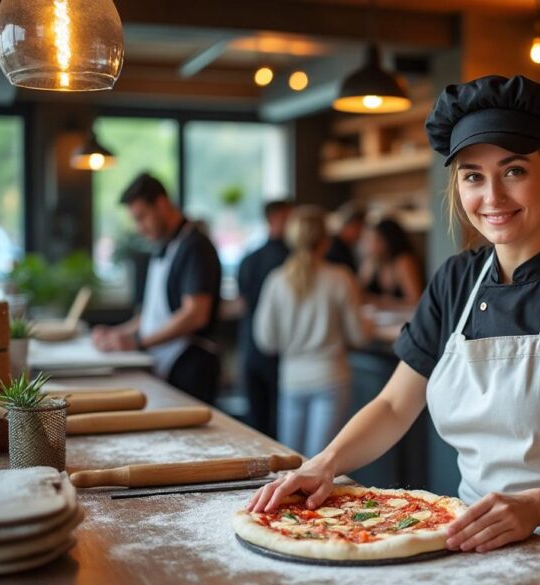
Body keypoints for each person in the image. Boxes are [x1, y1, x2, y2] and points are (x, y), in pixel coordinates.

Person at [247, 75, 540, 555]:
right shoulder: (455, 282)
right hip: (469, 543)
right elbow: (393, 406)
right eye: (473, 175)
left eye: (513, 171)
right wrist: (321, 464)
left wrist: (536, 507)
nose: (492, 196)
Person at [93, 173, 222, 404]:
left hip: (191, 366)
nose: (139, 227)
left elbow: (196, 314)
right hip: (165, 363)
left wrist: (140, 343)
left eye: (141, 217)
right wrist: (118, 333)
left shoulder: (195, 246)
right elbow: (153, 315)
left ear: (161, 204)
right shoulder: (164, 246)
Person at [252, 205, 371, 457]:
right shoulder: (341, 278)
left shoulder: (276, 280)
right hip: (331, 378)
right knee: (322, 465)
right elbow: (359, 335)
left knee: (292, 466)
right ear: (325, 241)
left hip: (291, 380)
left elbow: (266, 341)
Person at [236, 199, 293, 438]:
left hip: (250, 345)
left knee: (256, 423)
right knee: (278, 424)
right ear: (276, 218)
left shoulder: (249, 258)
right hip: (278, 348)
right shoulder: (291, 261)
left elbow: (242, 301)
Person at [358, 218, 423, 307]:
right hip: (380, 319)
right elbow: (356, 295)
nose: (368, 245)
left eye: (372, 240)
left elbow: (416, 300)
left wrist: (383, 302)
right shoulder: (371, 263)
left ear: (387, 241)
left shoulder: (404, 262)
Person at [324, 202, 365, 274]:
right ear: (351, 224)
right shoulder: (332, 247)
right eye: (360, 228)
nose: (361, 233)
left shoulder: (348, 247)